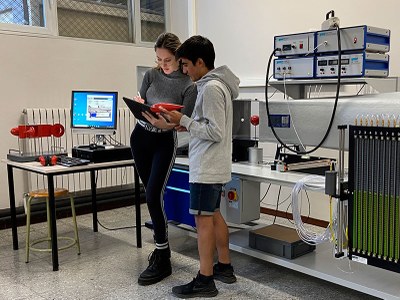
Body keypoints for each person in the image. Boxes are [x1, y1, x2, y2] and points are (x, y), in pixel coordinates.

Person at [160, 35, 240, 298]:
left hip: (207, 166)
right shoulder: (214, 85)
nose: (184, 70)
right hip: (212, 164)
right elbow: (208, 124)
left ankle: (205, 278)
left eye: (185, 64)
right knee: (214, 215)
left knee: (202, 220)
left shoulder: (212, 88)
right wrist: (188, 123)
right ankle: (224, 267)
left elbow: (215, 131)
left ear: (200, 62)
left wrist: (185, 119)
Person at [130, 32, 197, 286]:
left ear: (179, 58)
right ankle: (162, 250)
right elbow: (142, 102)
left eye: (167, 60)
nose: (162, 65)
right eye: (158, 59)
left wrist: (166, 122)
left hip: (163, 142)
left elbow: (184, 124)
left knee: (153, 195)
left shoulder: (188, 85)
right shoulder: (150, 75)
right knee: (150, 194)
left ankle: (163, 257)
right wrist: (139, 104)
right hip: (140, 138)